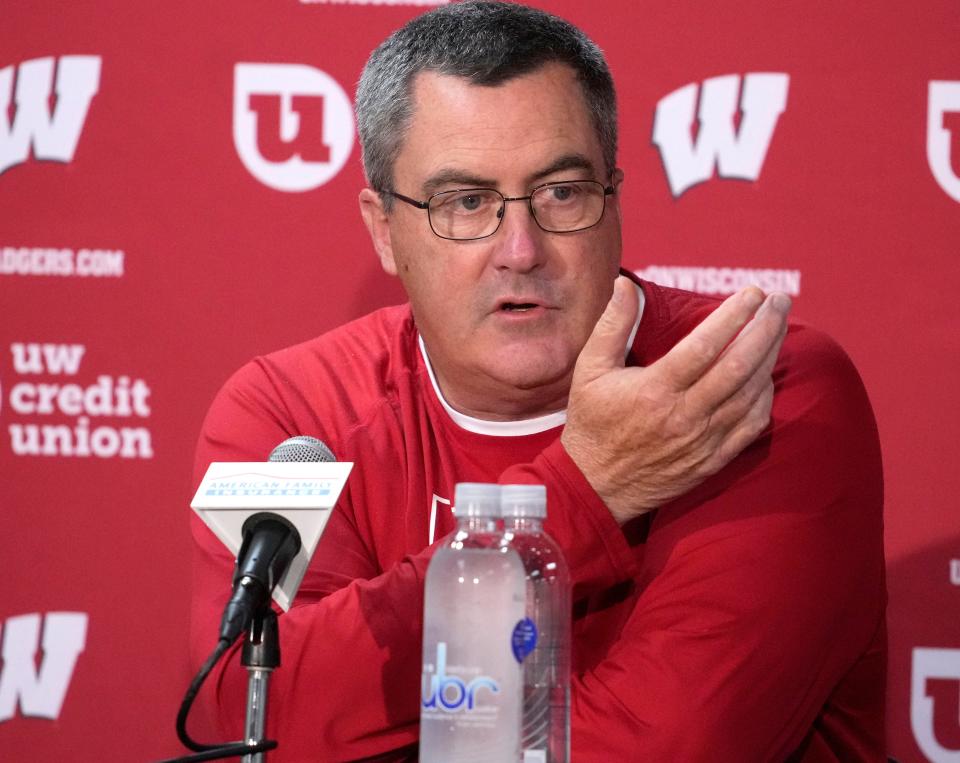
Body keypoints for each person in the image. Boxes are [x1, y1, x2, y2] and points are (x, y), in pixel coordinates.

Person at [190, 2, 886, 760]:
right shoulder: (290, 415)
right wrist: (587, 490)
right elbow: (246, 714)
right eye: (465, 203)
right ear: (384, 230)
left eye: (560, 192)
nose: (520, 249)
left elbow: (666, 746)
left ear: (614, 199)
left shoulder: (756, 386)